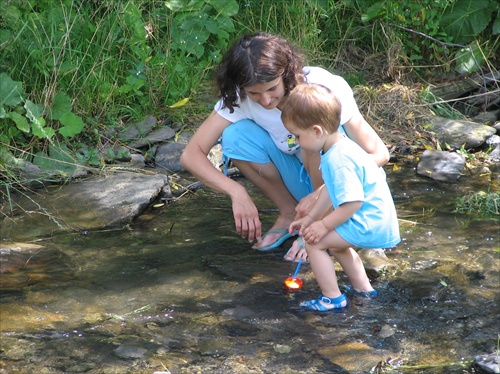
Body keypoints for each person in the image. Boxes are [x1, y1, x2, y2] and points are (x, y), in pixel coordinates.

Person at [180, 32, 390, 262]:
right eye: (254, 93)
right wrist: (236, 192)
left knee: (313, 141)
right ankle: (290, 212)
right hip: (308, 186)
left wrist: (325, 189)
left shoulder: (322, 87)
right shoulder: (239, 97)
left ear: (286, 73)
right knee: (235, 137)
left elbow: (379, 153)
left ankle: (320, 225)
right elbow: (191, 155)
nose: (266, 100)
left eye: (271, 89)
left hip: (346, 192)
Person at [281, 83, 401, 311]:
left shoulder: (339, 160)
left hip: (367, 222)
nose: (296, 142)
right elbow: (330, 190)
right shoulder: (339, 147)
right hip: (376, 219)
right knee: (336, 245)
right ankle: (364, 289)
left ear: (316, 131)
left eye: (297, 135)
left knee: (314, 243)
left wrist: (322, 226)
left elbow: (353, 202)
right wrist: (311, 219)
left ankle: (332, 298)